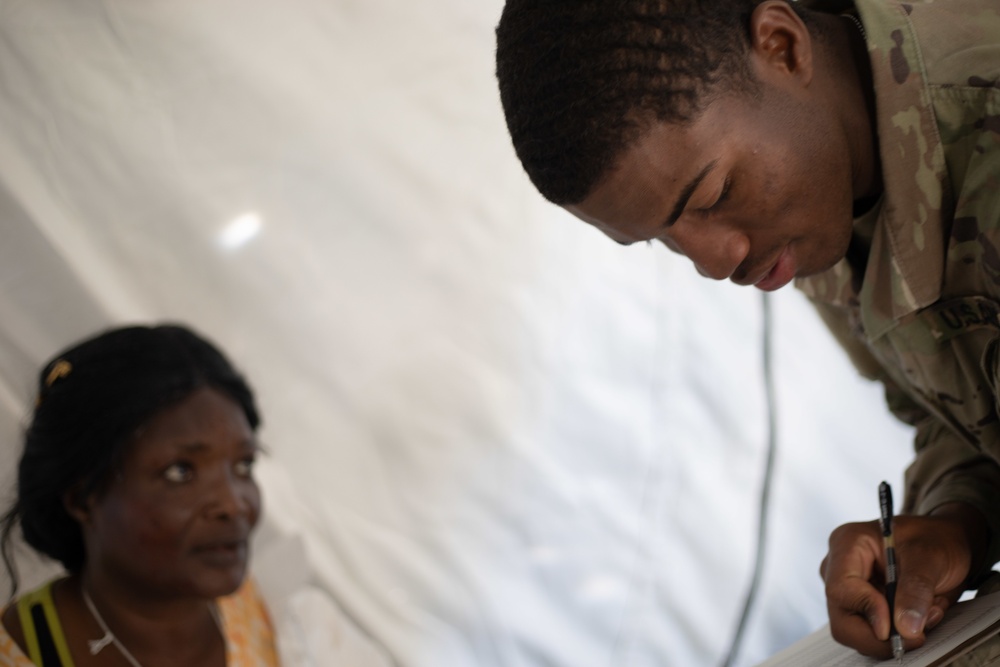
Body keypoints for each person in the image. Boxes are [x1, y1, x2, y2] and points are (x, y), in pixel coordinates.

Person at [495, 0, 1000, 661]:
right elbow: (963, 417)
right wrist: (951, 527)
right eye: (662, 241)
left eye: (708, 197)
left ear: (783, 46)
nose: (714, 261)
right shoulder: (817, 204)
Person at [0, 324, 280, 667]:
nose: (233, 503)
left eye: (243, 465)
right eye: (180, 471)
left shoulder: (254, 609)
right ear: (81, 498)